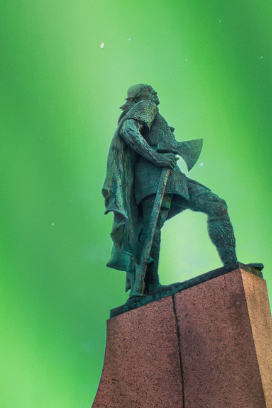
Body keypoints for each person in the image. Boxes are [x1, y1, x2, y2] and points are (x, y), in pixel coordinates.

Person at [101, 84, 238, 297]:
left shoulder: (151, 111)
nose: (155, 93)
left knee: (214, 205)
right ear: (139, 97)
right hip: (155, 177)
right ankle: (148, 287)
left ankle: (232, 266)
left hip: (172, 177)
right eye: (149, 90)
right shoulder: (145, 106)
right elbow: (128, 130)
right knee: (151, 229)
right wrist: (157, 157)